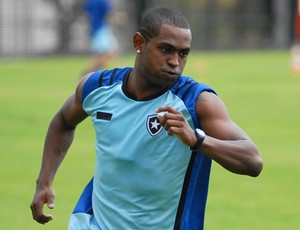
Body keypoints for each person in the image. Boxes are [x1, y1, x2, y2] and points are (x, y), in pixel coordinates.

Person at [30, 7, 263, 230]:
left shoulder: (196, 102)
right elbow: (63, 122)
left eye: (183, 54)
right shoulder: (98, 87)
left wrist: (196, 140)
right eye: (166, 50)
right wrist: (44, 181)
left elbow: (252, 161)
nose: (175, 62)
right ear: (139, 43)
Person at [83, 0, 118, 73]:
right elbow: (108, 13)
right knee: (110, 53)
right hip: (101, 29)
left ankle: (94, 74)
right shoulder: (102, 1)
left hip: (96, 29)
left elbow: (87, 13)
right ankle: (87, 74)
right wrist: (119, 18)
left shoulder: (90, 1)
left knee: (100, 55)